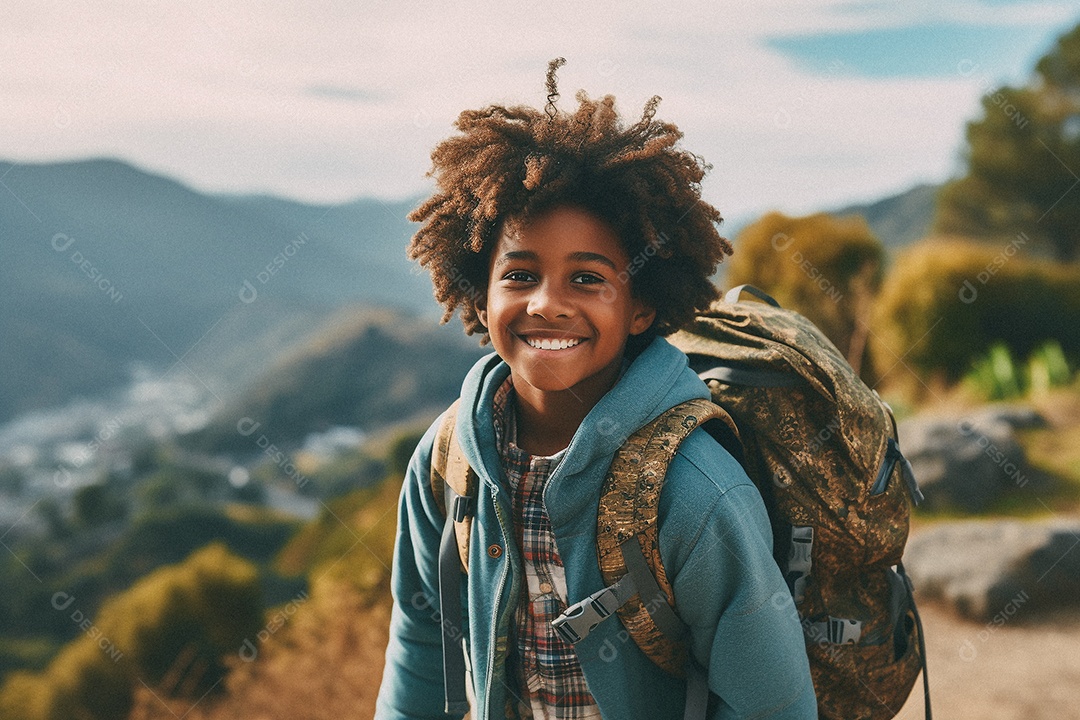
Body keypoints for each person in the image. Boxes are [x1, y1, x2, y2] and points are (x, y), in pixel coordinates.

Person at [375, 59, 817, 720]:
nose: (548, 305)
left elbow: (772, 704)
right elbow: (420, 645)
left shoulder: (693, 492)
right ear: (479, 288)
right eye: (520, 274)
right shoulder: (446, 463)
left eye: (587, 279)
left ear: (641, 306)